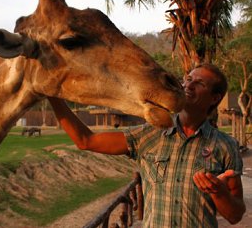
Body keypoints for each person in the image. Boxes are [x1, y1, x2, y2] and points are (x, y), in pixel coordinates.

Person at [48, 63, 245, 227]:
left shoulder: (226, 146)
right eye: (188, 79)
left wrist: (219, 193)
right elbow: (86, 141)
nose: (188, 85)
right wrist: (52, 95)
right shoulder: (149, 133)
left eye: (199, 83)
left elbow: (235, 215)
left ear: (215, 98)